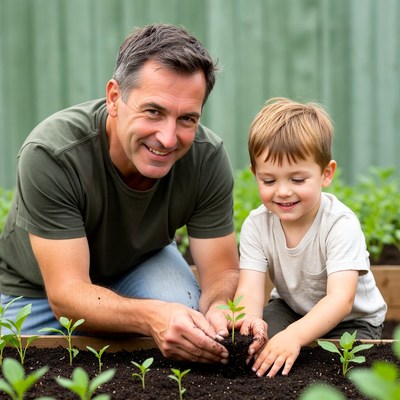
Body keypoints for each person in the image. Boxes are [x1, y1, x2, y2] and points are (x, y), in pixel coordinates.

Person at [0, 23, 244, 364]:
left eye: (187, 119)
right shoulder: (53, 153)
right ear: (115, 97)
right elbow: (67, 294)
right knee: (18, 361)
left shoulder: (206, 156)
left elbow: (221, 271)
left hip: (139, 264)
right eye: (154, 112)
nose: (169, 138)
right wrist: (151, 317)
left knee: (189, 323)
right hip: (35, 292)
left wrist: (219, 306)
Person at [232, 98, 387, 377]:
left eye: (297, 180)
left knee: (337, 365)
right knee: (261, 345)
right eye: (269, 181)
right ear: (255, 174)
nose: (282, 191)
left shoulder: (339, 223)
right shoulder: (257, 224)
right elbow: (250, 291)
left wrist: (293, 337)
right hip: (291, 308)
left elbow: (341, 299)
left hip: (352, 320)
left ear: (325, 174)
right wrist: (247, 326)